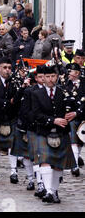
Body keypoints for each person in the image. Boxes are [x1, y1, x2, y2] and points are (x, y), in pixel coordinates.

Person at [32, 66, 77, 203]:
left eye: (53, 76)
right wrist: (53, 120)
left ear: (57, 77)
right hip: (44, 131)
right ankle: (49, 191)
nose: (51, 79)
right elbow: (36, 114)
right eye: (48, 76)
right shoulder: (37, 94)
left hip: (61, 132)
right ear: (43, 78)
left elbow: (73, 108)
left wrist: (73, 114)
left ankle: (54, 191)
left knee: (58, 164)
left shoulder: (64, 92)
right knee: (44, 161)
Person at [65, 63, 84, 177]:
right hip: (71, 116)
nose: (68, 74)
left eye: (70, 72)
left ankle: (77, 159)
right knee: (73, 140)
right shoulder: (66, 84)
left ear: (77, 73)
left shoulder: (84, 83)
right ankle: (75, 165)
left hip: (82, 115)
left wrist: (77, 112)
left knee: (81, 140)